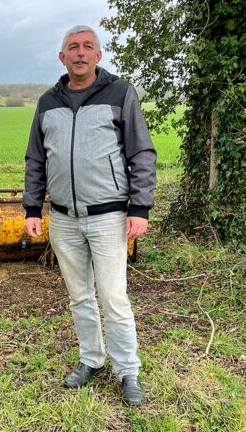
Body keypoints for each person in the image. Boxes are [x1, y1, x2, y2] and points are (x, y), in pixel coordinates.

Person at [22, 25, 156, 406]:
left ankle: (128, 369)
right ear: (61, 57)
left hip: (109, 216)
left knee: (113, 297)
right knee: (80, 297)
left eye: (87, 47)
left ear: (98, 56)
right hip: (63, 219)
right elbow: (36, 159)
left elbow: (141, 154)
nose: (80, 53)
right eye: (72, 48)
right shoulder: (48, 102)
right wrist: (33, 207)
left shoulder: (120, 93)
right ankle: (91, 359)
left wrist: (140, 207)